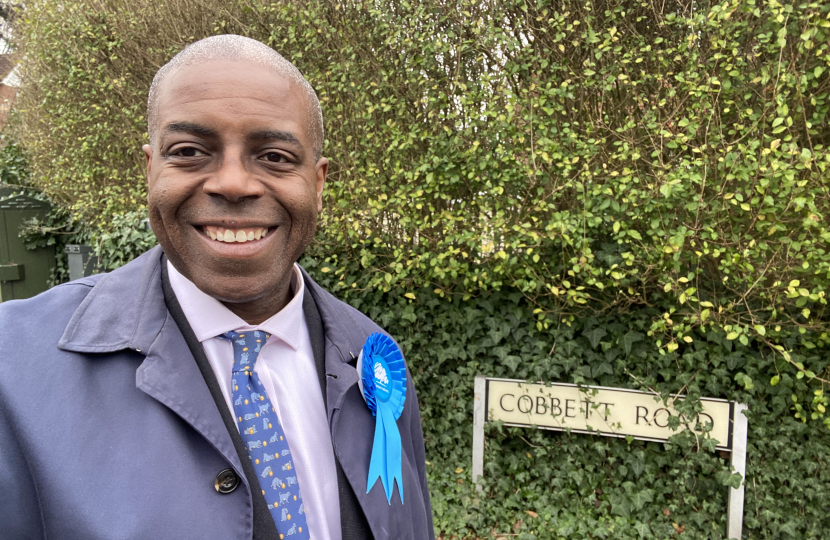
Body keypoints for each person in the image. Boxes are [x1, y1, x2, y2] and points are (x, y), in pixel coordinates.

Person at [0, 35, 434, 540]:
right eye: (189, 151)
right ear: (150, 170)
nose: (232, 183)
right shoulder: (13, 367)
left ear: (317, 184)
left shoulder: (374, 360)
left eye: (274, 156)